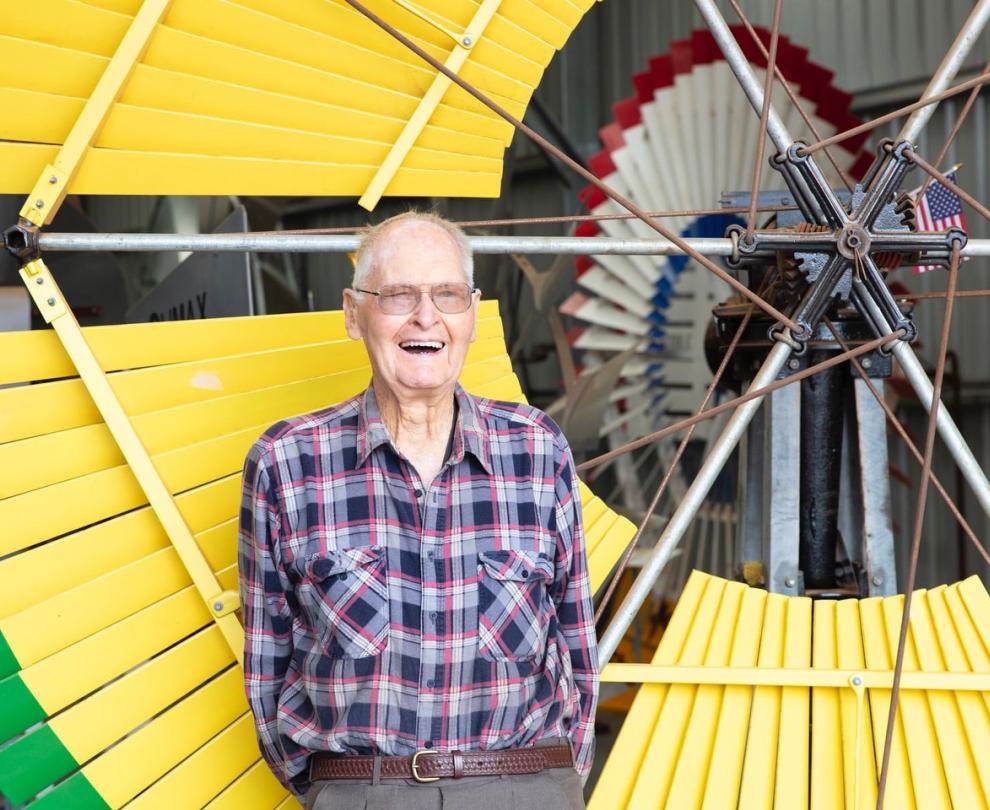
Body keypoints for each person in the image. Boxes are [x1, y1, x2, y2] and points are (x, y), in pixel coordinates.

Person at [239, 211, 598, 810]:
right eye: (399, 295)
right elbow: (266, 668)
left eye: (447, 295)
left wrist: (544, 789)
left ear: (473, 315)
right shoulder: (286, 461)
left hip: (522, 785)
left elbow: (576, 645)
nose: (425, 316)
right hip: (363, 792)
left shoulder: (537, 449)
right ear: (354, 314)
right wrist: (340, 793)